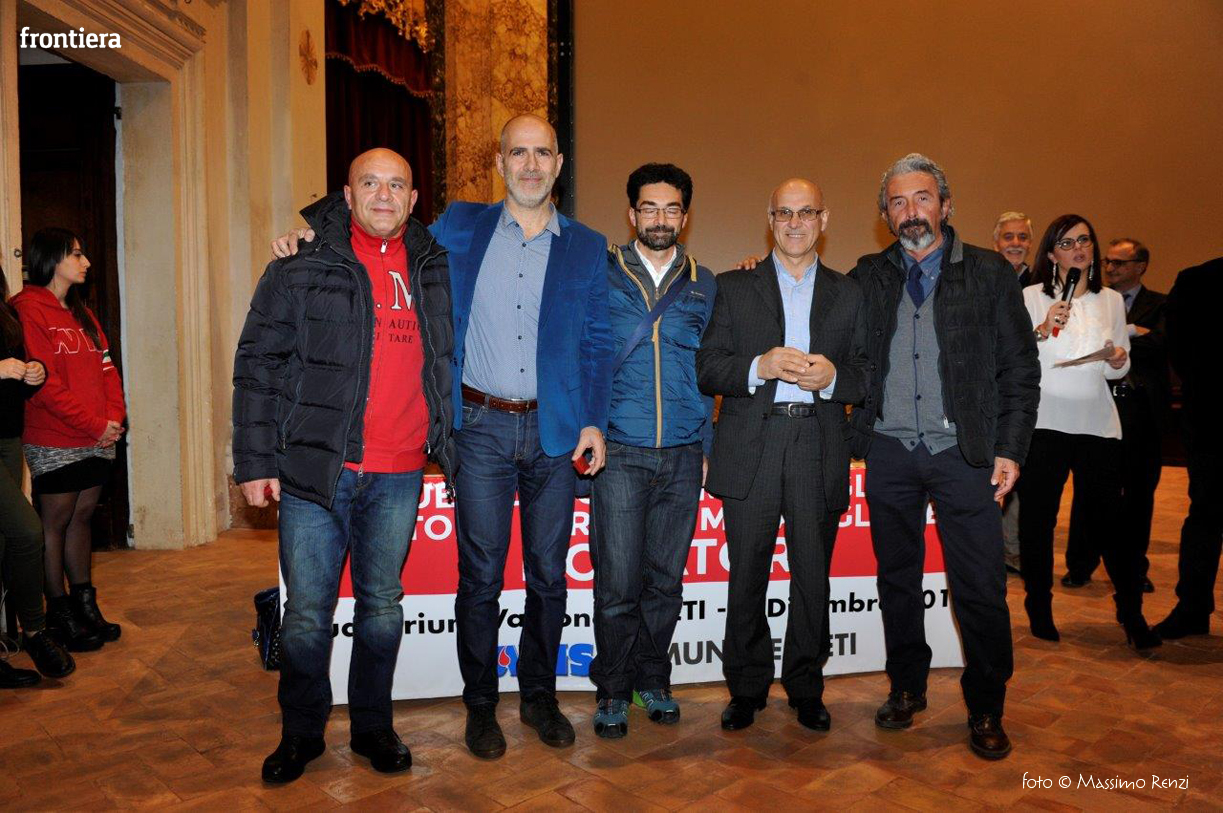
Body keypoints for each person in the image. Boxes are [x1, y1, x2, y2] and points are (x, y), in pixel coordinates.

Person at [270, 116, 612, 760]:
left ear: (559, 163)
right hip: (477, 430)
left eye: (542, 153)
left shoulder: (588, 246)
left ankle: (539, 696)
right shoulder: (459, 226)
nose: (531, 164)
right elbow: (377, 219)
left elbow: (597, 341)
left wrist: (593, 419)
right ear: (500, 163)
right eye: (518, 152)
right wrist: (310, 235)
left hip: (556, 433)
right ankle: (480, 705)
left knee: (548, 577)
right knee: (480, 576)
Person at [234, 148, 457, 783]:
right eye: (370, 183)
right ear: (348, 193)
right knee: (307, 614)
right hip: (316, 471)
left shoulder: (436, 266)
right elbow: (257, 365)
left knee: (382, 606)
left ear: (414, 199)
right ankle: (301, 733)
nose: (384, 195)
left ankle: (372, 727)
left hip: (401, 471)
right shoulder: (299, 265)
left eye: (397, 185)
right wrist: (253, 461)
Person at [848, 154, 1039, 760]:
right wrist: (761, 271)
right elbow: (818, 312)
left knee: (980, 586)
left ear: (946, 205)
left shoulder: (988, 273)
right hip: (889, 453)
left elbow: (1020, 370)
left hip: (966, 454)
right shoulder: (867, 276)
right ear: (885, 215)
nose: (911, 212)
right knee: (897, 581)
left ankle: (986, 705)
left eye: (923, 198)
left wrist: (1010, 448)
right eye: (898, 202)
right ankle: (906, 687)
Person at [698, 178, 867, 734]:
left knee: (812, 576)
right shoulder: (732, 287)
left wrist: (834, 377)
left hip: (819, 443)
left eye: (806, 212)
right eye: (784, 213)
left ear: (824, 219)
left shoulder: (850, 293)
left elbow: (867, 373)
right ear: (770, 220)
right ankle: (746, 688)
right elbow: (708, 367)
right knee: (746, 573)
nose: (795, 223)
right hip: (753, 443)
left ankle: (805, 686)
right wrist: (758, 367)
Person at [589, 163, 716, 738]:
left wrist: (706, 444)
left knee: (665, 581)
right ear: (631, 213)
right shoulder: (601, 273)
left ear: (684, 217)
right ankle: (613, 690)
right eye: (649, 208)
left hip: (684, 454)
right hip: (620, 451)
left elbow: (709, 371)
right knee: (617, 583)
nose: (660, 219)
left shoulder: (705, 282)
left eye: (671, 209)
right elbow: (583, 356)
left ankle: (653, 681)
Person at [1016, 215, 1159, 652]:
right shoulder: (1031, 297)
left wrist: (1118, 359)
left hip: (1097, 423)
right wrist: (1042, 329)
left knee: (1111, 523)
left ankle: (1131, 613)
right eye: (1067, 243)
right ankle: (1039, 606)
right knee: (1038, 522)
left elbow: (1120, 363)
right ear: (1051, 253)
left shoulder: (1110, 300)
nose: (1078, 248)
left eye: (1084, 241)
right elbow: (1015, 358)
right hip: (1044, 423)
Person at [13, 229, 125, 657]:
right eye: (76, 254)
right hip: (57, 436)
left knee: (82, 518)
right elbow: (44, 385)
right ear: (51, 259)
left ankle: (84, 604)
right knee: (54, 523)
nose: (86, 262)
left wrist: (114, 418)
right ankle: (56, 613)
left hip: (98, 433)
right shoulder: (28, 308)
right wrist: (94, 424)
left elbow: (108, 370)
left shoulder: (82, 313)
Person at [1062, 238, 1167, 592]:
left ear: (1141, 266)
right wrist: (1134, 334)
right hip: (1099, 406)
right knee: (1089, 489)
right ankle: (1080, 563)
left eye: (1119, 263)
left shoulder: (1160, 304)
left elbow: (1162, 344)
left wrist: (1125, 335)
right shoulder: (1092, 301)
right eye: (1107, 261)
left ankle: (1134, 569)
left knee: (1139, 494)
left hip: (1142, 412)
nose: (1110, 268)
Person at [0, 268, 74, 687]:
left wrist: (34, 372)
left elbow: (18, 377)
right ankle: (35, 632)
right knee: (28, 531)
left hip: (8, 437)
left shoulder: (4, 310)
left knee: (4, 541)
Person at [1154, 256, 1223, 639]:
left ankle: (1193, 609)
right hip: (1212, 419)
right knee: (1205, 516)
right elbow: (1178, 350)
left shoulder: (1197, 279)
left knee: (1204, 517)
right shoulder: (1198, 280)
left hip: (1209, 414)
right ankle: (1193, 608)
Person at [992, 211, 1034, 575]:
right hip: (990, 395)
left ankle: (1016, 550)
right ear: (996, 243)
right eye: (1009, 237)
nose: (1016, 243)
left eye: (1022, 237)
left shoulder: (1043, 287)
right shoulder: (984, 279)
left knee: (1022, 479)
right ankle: (995, 548)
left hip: (1026, 396)